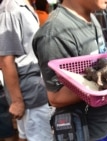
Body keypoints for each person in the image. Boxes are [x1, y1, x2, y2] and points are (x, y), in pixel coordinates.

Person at [32, 0, 107, 141]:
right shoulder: (54, 33)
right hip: (83, 132)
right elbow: (56, 97)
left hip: (103, 125)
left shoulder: (92, 17)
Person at [0, 0, 53, 141]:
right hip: (29, 93)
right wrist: (17, 101)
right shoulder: (11, 8)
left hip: (34, 89)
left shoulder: (24, 5)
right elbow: (6, 59)